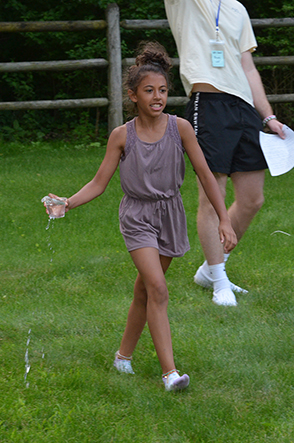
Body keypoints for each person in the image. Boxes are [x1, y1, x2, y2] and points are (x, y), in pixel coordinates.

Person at [44, 42, 237, 391]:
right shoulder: (122, 136)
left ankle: (123, 357)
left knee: (145, 292)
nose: (157, 96)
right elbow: (100, 183)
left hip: (170, 214)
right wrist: (68, 202)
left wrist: (224, 218)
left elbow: (206, 175)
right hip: (137, 216)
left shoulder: (180, 128)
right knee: (158, 289)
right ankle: (170, 374)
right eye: (149, 91)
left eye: (162, 90)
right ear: (133, 95)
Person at [164, 0, 285, 306]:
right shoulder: (187, 5)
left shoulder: (237, 8)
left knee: (252, 198)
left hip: (244, 108)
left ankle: (209, 270)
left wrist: (268, 116)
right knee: (211, 196)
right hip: (208, 104)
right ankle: (220, 282)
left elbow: (248, 67)